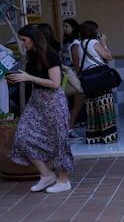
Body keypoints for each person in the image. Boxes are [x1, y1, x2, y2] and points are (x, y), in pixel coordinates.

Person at [7, 24, 74, 193]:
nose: (22, 43)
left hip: (53, 101)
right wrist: (19, 78)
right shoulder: (31, 54)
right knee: (22, 135)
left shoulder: (50, 55)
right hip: (36, 101)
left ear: (33, 39)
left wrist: (29, 77)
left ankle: (63, 180)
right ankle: (46, 175)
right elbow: (34, 77)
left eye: (24, 40)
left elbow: (55, 83)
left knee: (60, 140)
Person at [75, 21, 118, 144]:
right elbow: (108, 56)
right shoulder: (93, 42)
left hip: (88, 80)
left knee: (92, 107)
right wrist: (103, 41)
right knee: (105, 104)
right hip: (99, 79)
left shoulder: (80, 45)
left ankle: (94, 136)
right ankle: (108, 135)